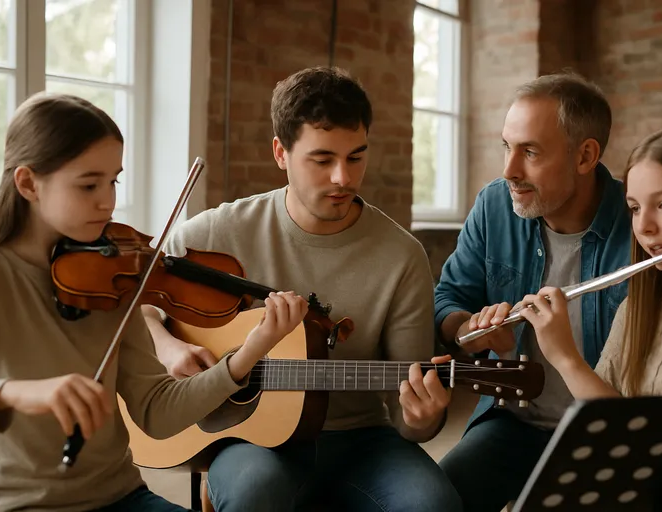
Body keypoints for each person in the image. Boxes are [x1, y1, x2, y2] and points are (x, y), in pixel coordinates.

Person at [144, 66, 462, 512]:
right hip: (249, 438)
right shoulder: (216, 233)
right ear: (281, 152)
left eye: (356, 157)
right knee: (257, 491)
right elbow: (137, 305)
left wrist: (424, 417)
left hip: (360, 438)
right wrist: (168, 348)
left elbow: (408, 413)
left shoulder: (401, 256)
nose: (343, 179)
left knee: (434, 505)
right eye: (322, 159)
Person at [0, 92, 308, 512]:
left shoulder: (112, 277)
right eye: (88, 184)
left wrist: (250, 352)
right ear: (28, 183)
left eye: (113, 181)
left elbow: (157, 411)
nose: (108, 201)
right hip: (19, 503)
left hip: (120, 496)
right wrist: (15, 395)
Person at [434, 73, 632, 512]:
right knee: (436, 498)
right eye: (507, 146)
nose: (509, 170)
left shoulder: (638, 227)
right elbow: (447, 300)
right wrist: (472, 330)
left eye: (530, 152)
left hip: (599, 433)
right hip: (511, 423)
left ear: (585, 156)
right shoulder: (493, 206)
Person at [518, 121, 662, 400]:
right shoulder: (635, 308)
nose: (645, 227)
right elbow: (601, 415)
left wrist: (567, 358)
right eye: (635, 208)